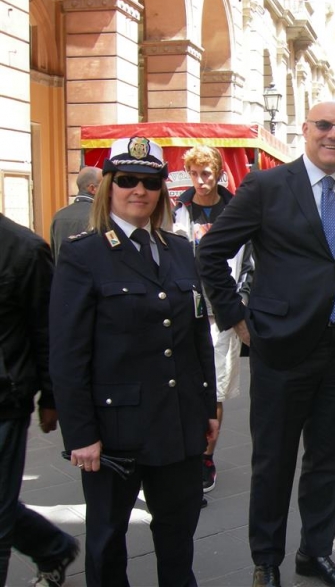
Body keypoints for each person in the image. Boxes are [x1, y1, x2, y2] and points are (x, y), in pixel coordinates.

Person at [196, 101, 335, 587]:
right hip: (280, 348)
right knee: (274, 462)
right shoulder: (266, 186)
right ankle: (266, 562)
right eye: (324, 125)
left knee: (330, 462)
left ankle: (315, 554)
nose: (333, 134)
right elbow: (212, 253)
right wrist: (237, 320)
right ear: (305, 130)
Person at [49, 137, 218, 587]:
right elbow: (67, 353)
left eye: (150, 182)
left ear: (162, 190)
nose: (138, 190)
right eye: (127, 180)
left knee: (178, 533)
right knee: (107, 540)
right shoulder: (84, 254)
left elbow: (196, 336)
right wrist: (81, 434)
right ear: (109, 186)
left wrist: (207, 407)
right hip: (115, 430)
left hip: (177, 421)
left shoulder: (179, 249)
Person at [0, 214, 79, 587]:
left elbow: (49, 329)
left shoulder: (24, 249)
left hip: (4, 402)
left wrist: (51, 396)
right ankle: (52, 547)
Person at [174, 145, 253, 494]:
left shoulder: (236, 209)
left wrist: (240, 307)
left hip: (222, 310)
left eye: (206, 173)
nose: (200, 181)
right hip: (184, 309)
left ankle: (206, 457)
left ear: (219, 174)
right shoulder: (178, 210)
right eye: (194, 174)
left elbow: (250, 262)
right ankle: (184, 451)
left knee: (215, 388)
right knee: (182, 382)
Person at [50, 165, 102, 261]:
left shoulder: (58, 215)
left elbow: (54, 255)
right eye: (104, 185)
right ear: (92, 189)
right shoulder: (100, 215)